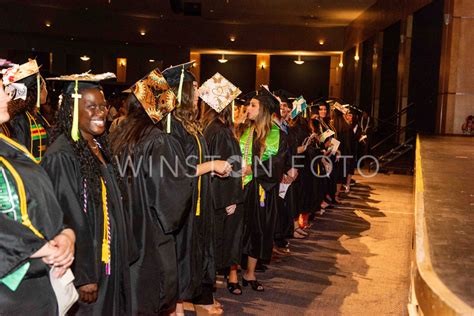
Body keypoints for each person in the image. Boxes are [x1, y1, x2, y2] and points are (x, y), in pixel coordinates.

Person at [41, 73, 134, 315]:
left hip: (109, 258)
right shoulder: (62, 154)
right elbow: (68, 216)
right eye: (91, 106)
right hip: (90, 262)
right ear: (72, 109)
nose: (100, 113)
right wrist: (84, 275)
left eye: (103, 106)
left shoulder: (98, 145)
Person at [109, 68, 194, 315]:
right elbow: (171, 197)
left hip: (122, 229)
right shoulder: (158, 140)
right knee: (149, 296)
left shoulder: (118, 135)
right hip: (150, 235)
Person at [0, 80, 76, 315]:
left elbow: (39, 201)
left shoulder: (11, 147)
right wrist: (38, 247)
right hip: (9, 292)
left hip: (39, 285)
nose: (6, 98)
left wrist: (65, 234)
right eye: (0, 92)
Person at [163, 62, 232, 315]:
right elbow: (174, 172)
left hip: (196, 201)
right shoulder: (171, 127)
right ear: (181, 92)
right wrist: (211, 165)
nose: (198, 93)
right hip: (181, 203)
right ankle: (176, 308)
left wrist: (211, 168)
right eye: (193, 88)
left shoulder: (189, 124)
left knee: (191, 253)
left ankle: (182, 304)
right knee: (180, 254)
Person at [238, 86, 289, 292]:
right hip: (242, 186)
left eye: (252, 105)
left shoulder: (275, 134)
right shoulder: (245, 130)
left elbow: (276, 164)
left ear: (263, 110)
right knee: (240, 230)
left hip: (261, 189)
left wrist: (253, 168)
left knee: (257, 231)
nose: (248, 108)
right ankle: (234, 272)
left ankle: (249, 273)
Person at [199, 72, 244, 296]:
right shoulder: (221, 131)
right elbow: (228, 166)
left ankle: (215, 280)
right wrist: (233, 199)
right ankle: (211, 290)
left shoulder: (207, 128)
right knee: (222, 241)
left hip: (211, 194)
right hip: (222, 196)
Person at [2, 59, 51, 162]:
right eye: (44, 87)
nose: (46, 91)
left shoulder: (35, 115)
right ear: (36, 91)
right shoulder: (20, 119)